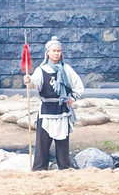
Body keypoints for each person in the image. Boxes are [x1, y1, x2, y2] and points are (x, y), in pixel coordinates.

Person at [26, 36, 84, 170]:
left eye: (58, 51)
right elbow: (36, 82)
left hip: (62, 109)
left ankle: (64, 167)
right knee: (43, 142)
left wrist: (73, 97)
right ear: (48, 53)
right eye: (54, 51)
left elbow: (78, 85)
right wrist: (29, 80)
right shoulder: (42, 70)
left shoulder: (66, 69)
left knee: (63, 142)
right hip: (47, 110)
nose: (56, 53)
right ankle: (40, 169)